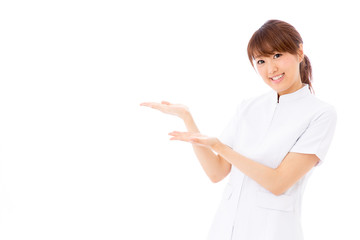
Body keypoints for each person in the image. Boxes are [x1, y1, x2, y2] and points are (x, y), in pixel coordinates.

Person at [140, 19, 337, 240]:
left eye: (278, 56)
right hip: (225, 229)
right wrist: (187, 117)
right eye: (261, 61)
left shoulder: (320, 114)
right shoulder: (249, 107)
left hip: (273, 232)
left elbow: (278, 183)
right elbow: (217, 172)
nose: (271, 69)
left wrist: (219, 146)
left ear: (299, 52)